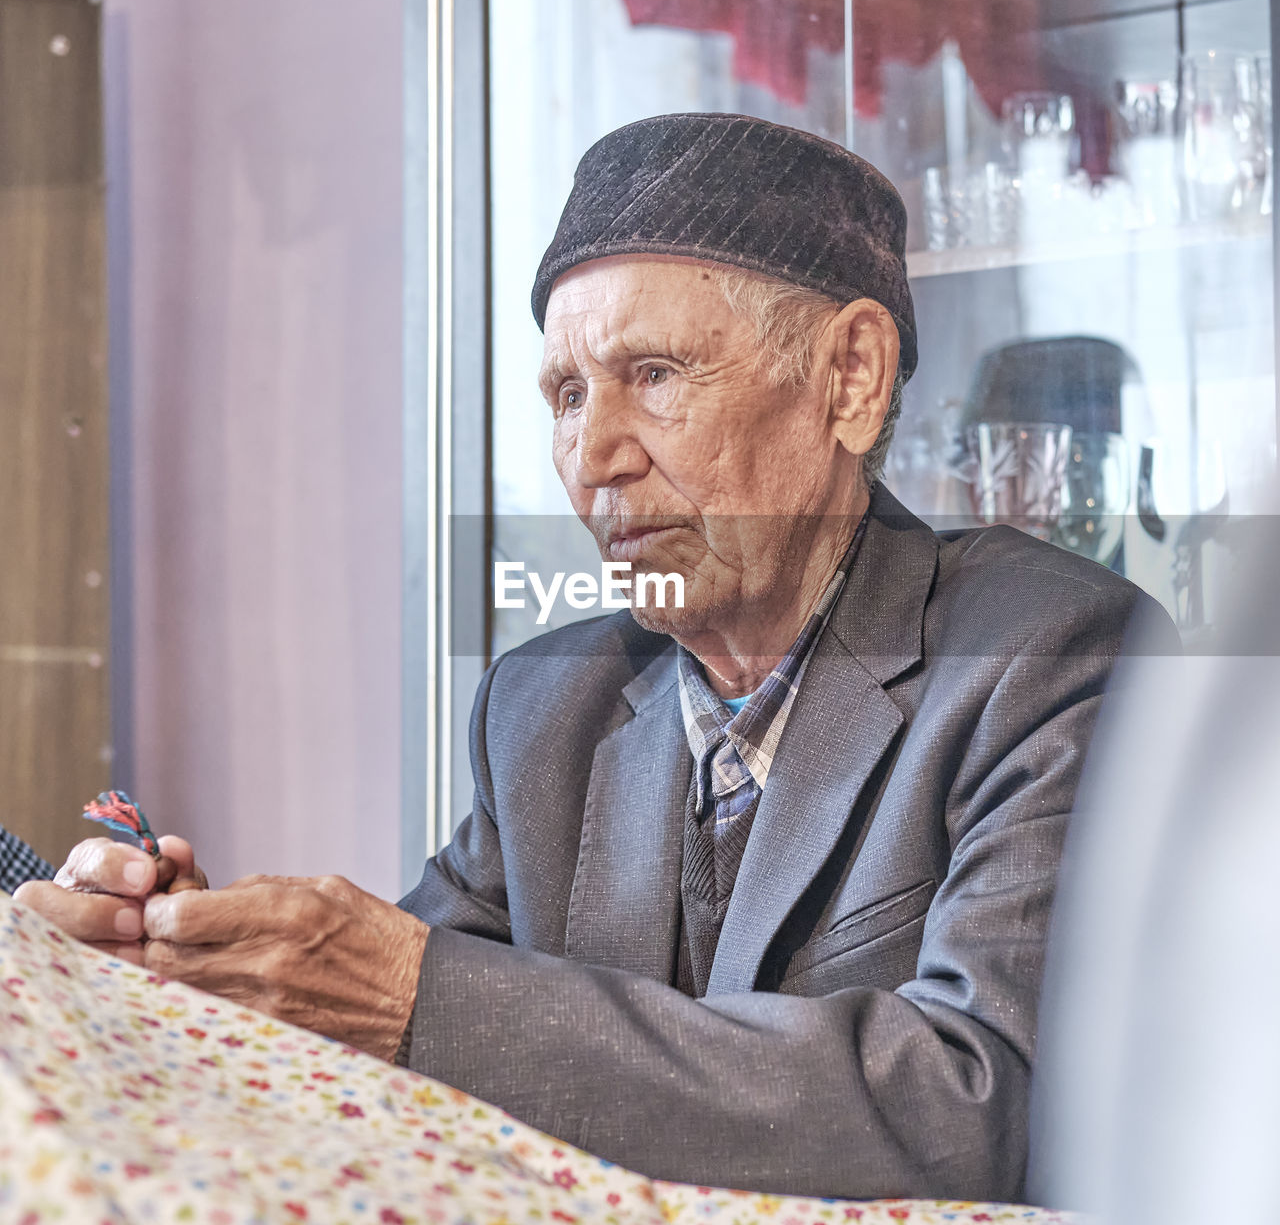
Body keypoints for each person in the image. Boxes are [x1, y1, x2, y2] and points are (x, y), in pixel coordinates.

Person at [14, 114, 1175, 1201]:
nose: (593, 455)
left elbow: (978, 1099)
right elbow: (390, 1036)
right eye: (566, 393)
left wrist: (410, 994)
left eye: (655, 376)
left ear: (850, 379)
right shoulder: (543, 704)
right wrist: (182, 958)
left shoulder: (1055, 655)